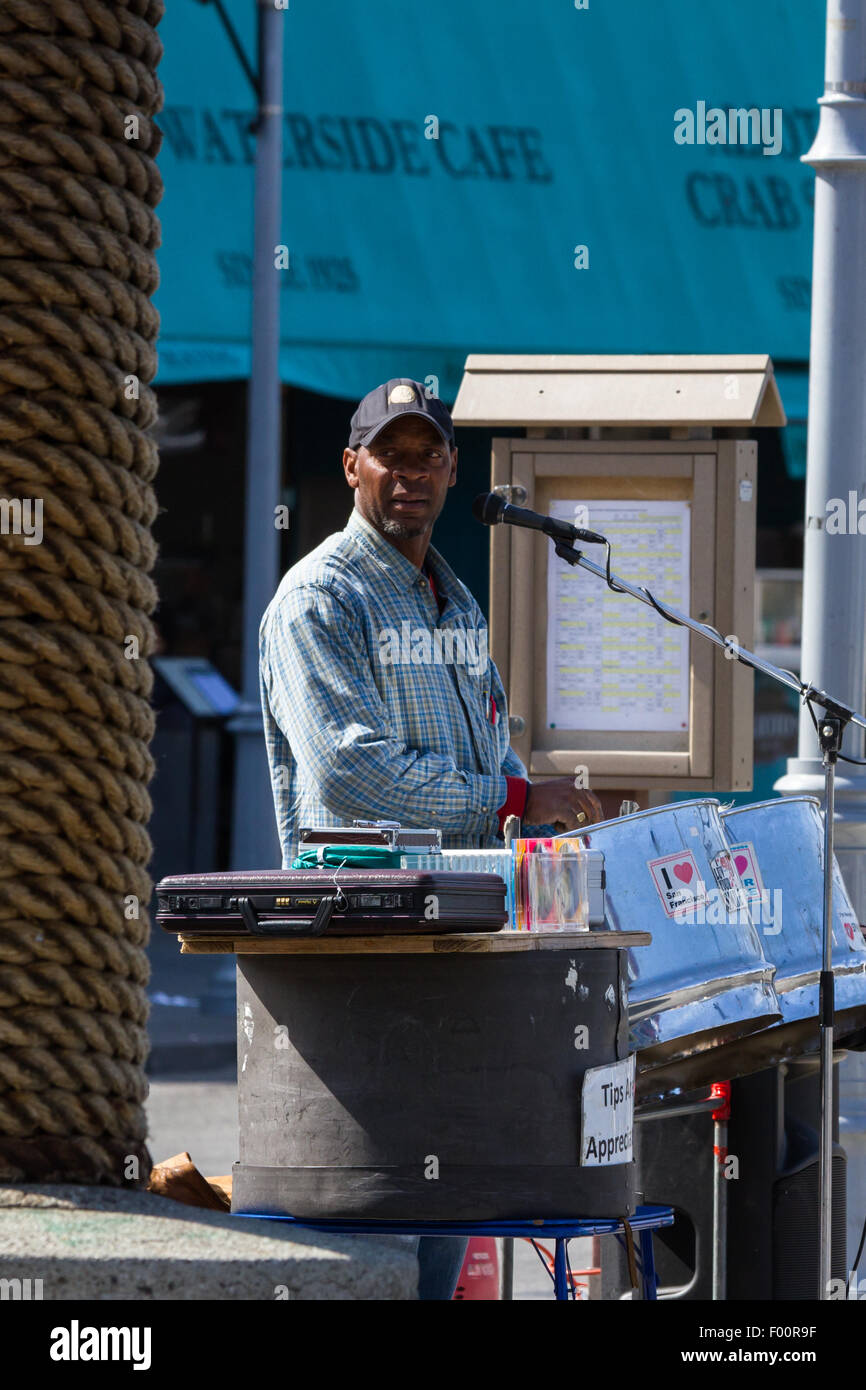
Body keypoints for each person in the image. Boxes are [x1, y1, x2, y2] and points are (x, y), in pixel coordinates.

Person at [258, 378, 603, 1299]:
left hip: (461, 954)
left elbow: (492, 752)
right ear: (351, 467)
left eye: (427, 457)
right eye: (389, 457)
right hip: (363, 964)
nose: (409, 475)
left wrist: (537, 805)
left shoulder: (454, 604)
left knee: (441, 1228)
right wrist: (518, 796)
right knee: (376, 1232)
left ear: (454, 470)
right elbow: (350, 777)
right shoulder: (319, 600)